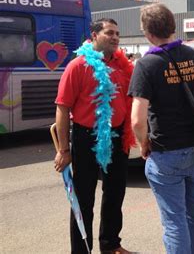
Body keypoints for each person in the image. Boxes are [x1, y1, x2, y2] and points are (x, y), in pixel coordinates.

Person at [129, 3, 194, 253]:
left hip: (166, 151)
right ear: (173, 26)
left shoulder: (146, 65)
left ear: (147, 33)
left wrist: (143, 144)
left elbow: (137, 120)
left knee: (174, 219)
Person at [54, 18, 135, 254]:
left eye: (117, 33)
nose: (115, 37)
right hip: (86, 137)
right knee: (83, 198)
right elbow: (62, 107)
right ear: (94, 35)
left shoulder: (123, 66)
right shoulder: (78, 66)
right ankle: (81, 250)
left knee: (115, 193)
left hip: (118, 135)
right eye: (109, 32)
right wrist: (64, 150)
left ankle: (111, 245)